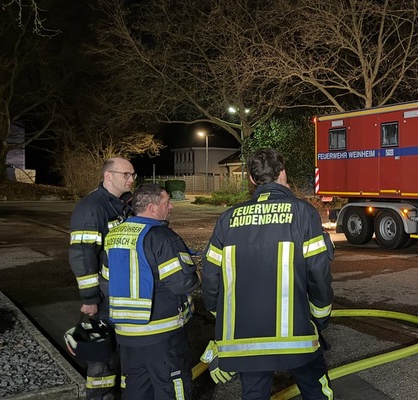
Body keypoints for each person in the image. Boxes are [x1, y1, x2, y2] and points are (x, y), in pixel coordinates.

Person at [201, 148, 335, 400]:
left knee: (253, 394)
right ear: (283, 173)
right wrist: (320, 317)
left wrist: (221, 317)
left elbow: (210, 277)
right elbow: (318, 272)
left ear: (251, 179)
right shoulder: (303, 213)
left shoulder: (228, 219)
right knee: (316, 390)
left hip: (245, 338)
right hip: (297, 334)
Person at [103, 183, 200, 399]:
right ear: (152, 207)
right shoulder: (162, 236)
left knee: (136, 388)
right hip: (161, 334)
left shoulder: (114, 236)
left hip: (126, 335)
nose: (171, 207)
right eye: (167, 202)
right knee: (171, 388)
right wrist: (198, 274)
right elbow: (182, 283)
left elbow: (107, 280)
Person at [69, 157, 136, 399]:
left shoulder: (124, 204)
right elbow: (82, 255)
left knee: (123, 348)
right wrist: (90, 297)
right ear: (109, 176)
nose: (131, 179)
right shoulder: (92, 207)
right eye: (126, 175)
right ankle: (100, 395)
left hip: (122, 291)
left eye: (133, 175)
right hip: (104, 294)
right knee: (102, 352)